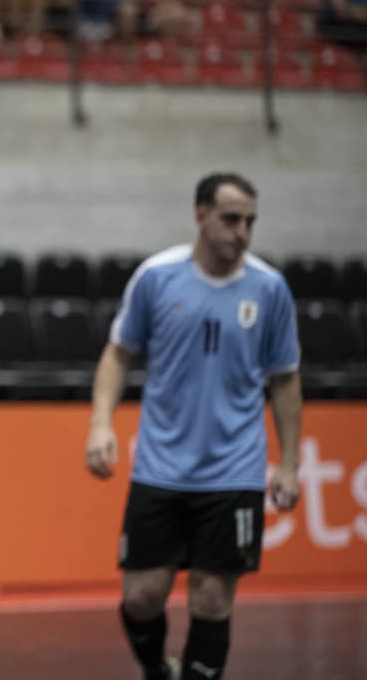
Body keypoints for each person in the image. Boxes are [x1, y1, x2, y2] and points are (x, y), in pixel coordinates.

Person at [85, 172, 303, 680]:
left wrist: (289, 463)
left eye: (250, 221)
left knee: (211, 596)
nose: (242, 232)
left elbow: (286, 380)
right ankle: (156, 669)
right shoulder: (157, 277)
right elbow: (119, 353)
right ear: (201, 215)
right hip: (160, 467)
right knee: (142, 597)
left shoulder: (269, 288)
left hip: (235, 471)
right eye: (231, 219)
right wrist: (101, 423)